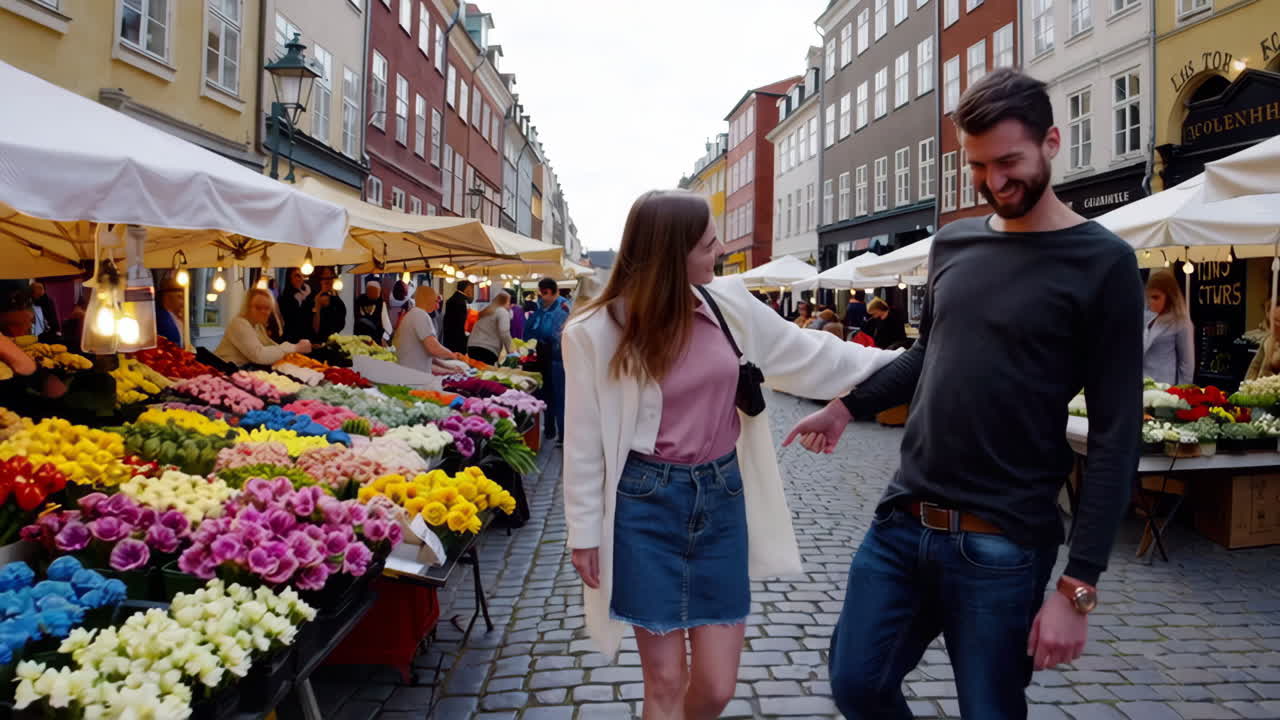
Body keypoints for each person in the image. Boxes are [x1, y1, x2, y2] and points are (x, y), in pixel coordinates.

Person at [785, 69, 1142, 719]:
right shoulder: (953, 243)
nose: (994, 181)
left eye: (1009, 161)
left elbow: (1118, 431)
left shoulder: (1104, 263)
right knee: (858, 684)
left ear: (1052, 143)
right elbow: (929, 352)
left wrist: (1078, 584)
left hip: (1003, 545)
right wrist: (848, 406)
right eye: (977, 167)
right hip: (902, 523)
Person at [562, 190, 896, 720]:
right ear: (671, 254)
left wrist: (909, 363)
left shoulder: (727, 302)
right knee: (665, 680)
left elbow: (811, 353)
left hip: (719, 498)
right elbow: (582, 441)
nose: (718, 250)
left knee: (716, 687)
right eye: (707, 243)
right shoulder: (595, 333)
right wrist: (583, 533)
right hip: (644, 505)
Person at [214, 289, 312, 367]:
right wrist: (295, 347)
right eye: (258, 307)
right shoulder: (239, 323)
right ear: (247, 307)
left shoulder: (257, 326)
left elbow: (270, 348)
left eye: (267, 308)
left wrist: (292, 349)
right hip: (222, 373)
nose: (264, 312)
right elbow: (260, 355)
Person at [525, 277, 570, 442]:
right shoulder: (541, 307)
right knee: (546, 394)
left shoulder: (563, 307)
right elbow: (530, 328)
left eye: (545, 293)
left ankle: (563, 435)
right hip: (542, 355)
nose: (542, 297)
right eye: (541, 293)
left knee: (558, 396)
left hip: (557, 358)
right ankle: (550, 429)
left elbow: (557, 333)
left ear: (554, 292)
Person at [394, 285, 466, 374]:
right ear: (426, 299)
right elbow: (433, 348)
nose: (437, 306)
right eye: (436, 301)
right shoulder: (420, 315)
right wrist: (452, 355)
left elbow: (429, 357)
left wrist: (450, 369)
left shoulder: (414, 314)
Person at [1143, 268, 1195, 385]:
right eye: (1149, 297)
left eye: (1156, 297)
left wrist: (1182, 395)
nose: (1151, 302)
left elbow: (1187, 364)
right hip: (1144, 386)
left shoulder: (1181, 322)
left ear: (1169, 296)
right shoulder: (1150, 319)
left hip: (1165, 389)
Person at [468, 292, 514, 365]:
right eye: (509, 301)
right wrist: (511, 350)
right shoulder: (502, 311)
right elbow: (504, 332)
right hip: (488, 349)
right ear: (505, 302)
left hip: (472, 346)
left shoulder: (487, 311)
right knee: (485, 374)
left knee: (475, 373)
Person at [305, 267, 347, 343]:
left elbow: (341, 324)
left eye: (331, 277)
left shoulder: (335, 299)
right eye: (325, 278)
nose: (329, 281)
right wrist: (317, 304)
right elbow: (313, 329)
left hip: (332, 342)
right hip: (315, 345)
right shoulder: (310, 299)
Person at [1245, 305, 1280, 381]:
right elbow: (1254, 367)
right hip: (1259, 387)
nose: (1275, 325)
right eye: (1274, 320)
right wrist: (1246, 387)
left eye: (1278, 321)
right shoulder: (1267, 340)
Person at [277, 268, 312, 343]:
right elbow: (291, 318)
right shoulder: (284, 298)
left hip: (307, 337)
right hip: (291, 338)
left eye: (302, 276)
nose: (300, 278)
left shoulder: (309, 294)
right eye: (297, 276)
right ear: (290, 278)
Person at [353, 280, 392, 345]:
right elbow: (385, 322)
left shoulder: (359, 300)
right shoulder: (380, 303)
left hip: (360, 336)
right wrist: (387, 336)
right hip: (373, 337)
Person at [442, 280, 474, 353]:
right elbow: (461, 324)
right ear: (467, 288)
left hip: (448, 339)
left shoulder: (452, 299)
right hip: (457, 342)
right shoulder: (461, 302)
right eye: (471, 288)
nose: (472, 291)